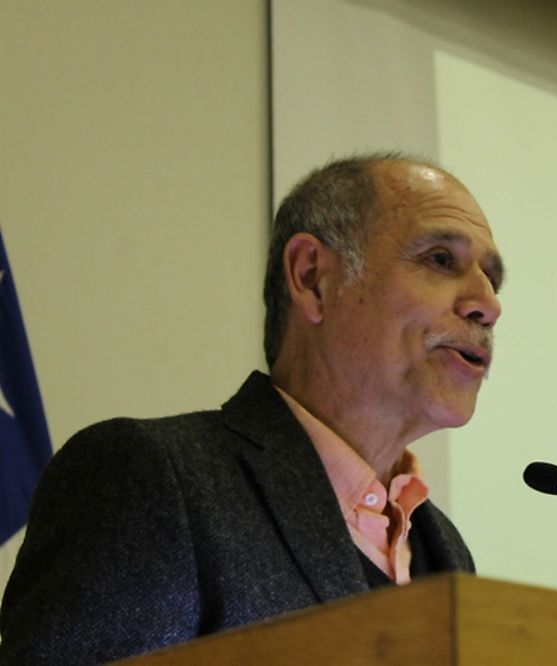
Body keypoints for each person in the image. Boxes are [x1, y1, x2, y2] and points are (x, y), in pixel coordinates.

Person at [0, 152, 504, 665]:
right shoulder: (152, 478)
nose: (489, 304)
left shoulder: (445, 548)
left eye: (492, 278)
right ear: (311, 277)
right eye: (441, 259)